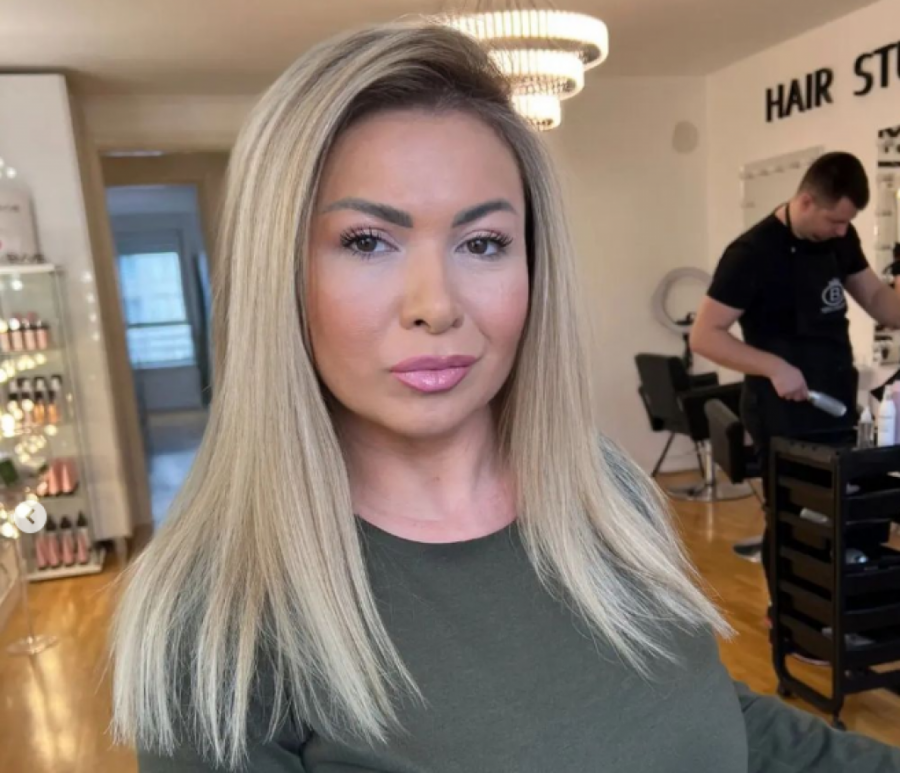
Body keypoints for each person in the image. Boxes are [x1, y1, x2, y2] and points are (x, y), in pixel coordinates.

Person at [111, 22, 900, 773]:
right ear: (278, 272)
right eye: (367, 241)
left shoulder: (604, 487)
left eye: (483, 242)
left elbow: (706, 714)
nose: (436, 304)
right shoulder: (217, 620)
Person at [691, 154, 900, 632]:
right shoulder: (751, 253)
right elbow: (705, 336)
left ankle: (838, 616)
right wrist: (774, 367)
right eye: (834, 220)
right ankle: (788, 621)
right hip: (781, 410)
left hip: (835, 403)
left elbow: (880, 303)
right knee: (794, 515)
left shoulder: (839, 241)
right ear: (806, 201)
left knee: (844, 511)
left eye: (847, 222)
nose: (842, 230)